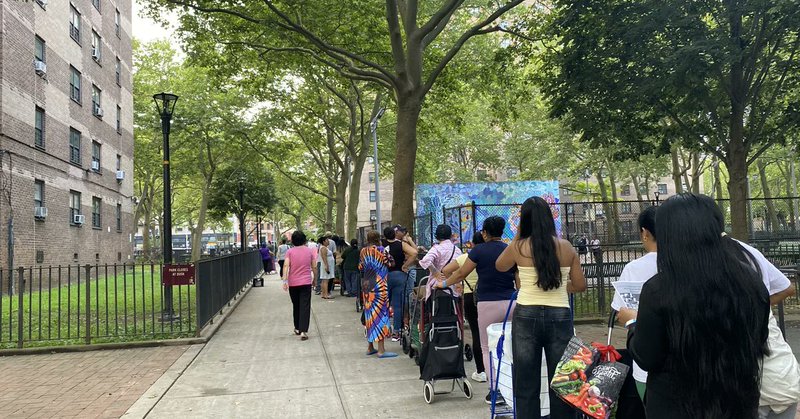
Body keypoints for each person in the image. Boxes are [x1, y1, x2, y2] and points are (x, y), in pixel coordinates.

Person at [617, 194, 770, 418]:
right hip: (738, 403)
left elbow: (647, 356)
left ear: (669, 236)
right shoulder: (750, 281)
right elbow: (759, 338)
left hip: (676, 407)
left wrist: (633, 323)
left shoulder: (659, 289)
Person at [437, 216, 518, 405]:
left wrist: (443, 284)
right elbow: (518, 277)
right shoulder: (510, 250)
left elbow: (460, 273)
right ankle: (513, 387)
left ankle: (495, 392)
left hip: (487, 303)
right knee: (511, 346)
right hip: (511, 302)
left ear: (485, 233)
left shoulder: (478, 251)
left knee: (487, 348)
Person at [609, 206, 658, 400]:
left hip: (644, 359)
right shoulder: (687, 265)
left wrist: (633, 319)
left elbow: (620, 314)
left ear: (645, 233)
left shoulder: (634, 268)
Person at [442, 231, 486, 383]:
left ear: (472, 244)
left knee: (476, 333)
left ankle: (481, 370)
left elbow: (446, 270)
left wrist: (457, 284)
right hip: (489, 295)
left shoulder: (464, 258)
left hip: (469, 296)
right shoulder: (492, 256)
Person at [359, 230, 397, 358]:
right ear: (378, 238)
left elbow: (361, 267)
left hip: (367, 283)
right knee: (381, 314)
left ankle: (370, 347)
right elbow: (391, 263)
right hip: (379, 284)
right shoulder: (381, 250)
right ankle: (381, 350)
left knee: (369, 314)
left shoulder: (363, 251)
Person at [385, 226, 419, 341]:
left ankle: (383, 329)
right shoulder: (400, 244)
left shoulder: (381, 245)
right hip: (399, 274)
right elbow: (414, 252)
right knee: (398, 305)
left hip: (384, 276)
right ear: (394, 234)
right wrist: (405, 265)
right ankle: (396, 332)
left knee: (384, 303)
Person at [282, 231, 317, 341]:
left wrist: (285, 281)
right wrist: (315, 279)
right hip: (306, 282)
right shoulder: (310, 251)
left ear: (292, 240)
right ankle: (303, 331)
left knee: (296, 305)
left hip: (293, 283)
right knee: (305, 306)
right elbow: (314, 266)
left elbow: (286, 265)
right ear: (304, 239)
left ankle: (297, 327)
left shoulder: (289, 252)